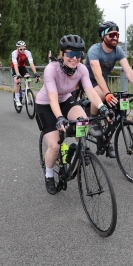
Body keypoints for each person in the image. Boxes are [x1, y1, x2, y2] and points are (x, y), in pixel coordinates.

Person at [35, 34, 114, 195]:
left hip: (65, 100)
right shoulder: (52, 69)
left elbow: (90, 90)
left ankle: (80, 149)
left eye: (78, 55)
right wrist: (59, 118)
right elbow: (52, 97)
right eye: (71, 54)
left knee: (83, 121)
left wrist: (102, 106)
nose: (75, 58)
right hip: (46, 105)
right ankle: (49, 175)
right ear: (62, 54)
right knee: (55, 146)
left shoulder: (82, 69)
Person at [84, 20, 133, 157]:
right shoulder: (94, 50)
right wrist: (107, 93)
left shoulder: (117, 50)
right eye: (111, 34)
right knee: (102, 95)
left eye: (117, 35)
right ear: (103, 36)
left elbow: (129, 72)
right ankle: (93, 119)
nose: (115, 37)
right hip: (88, 81)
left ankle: (106, 141)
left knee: (115, 110)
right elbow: (97, 74)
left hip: (102, 82)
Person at [10, 41, 40, 107]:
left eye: (24, 49)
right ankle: (17, 98)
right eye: (21, 49)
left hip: (22, 67)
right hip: (14, 67)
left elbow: (31, 63)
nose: (23, 50)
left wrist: (35, 73)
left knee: (28, 78)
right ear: (17, 48)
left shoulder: (28, 53)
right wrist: (18, 74)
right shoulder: (14, 53)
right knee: (17, 81)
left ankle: (26, 90)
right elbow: (15, 64)